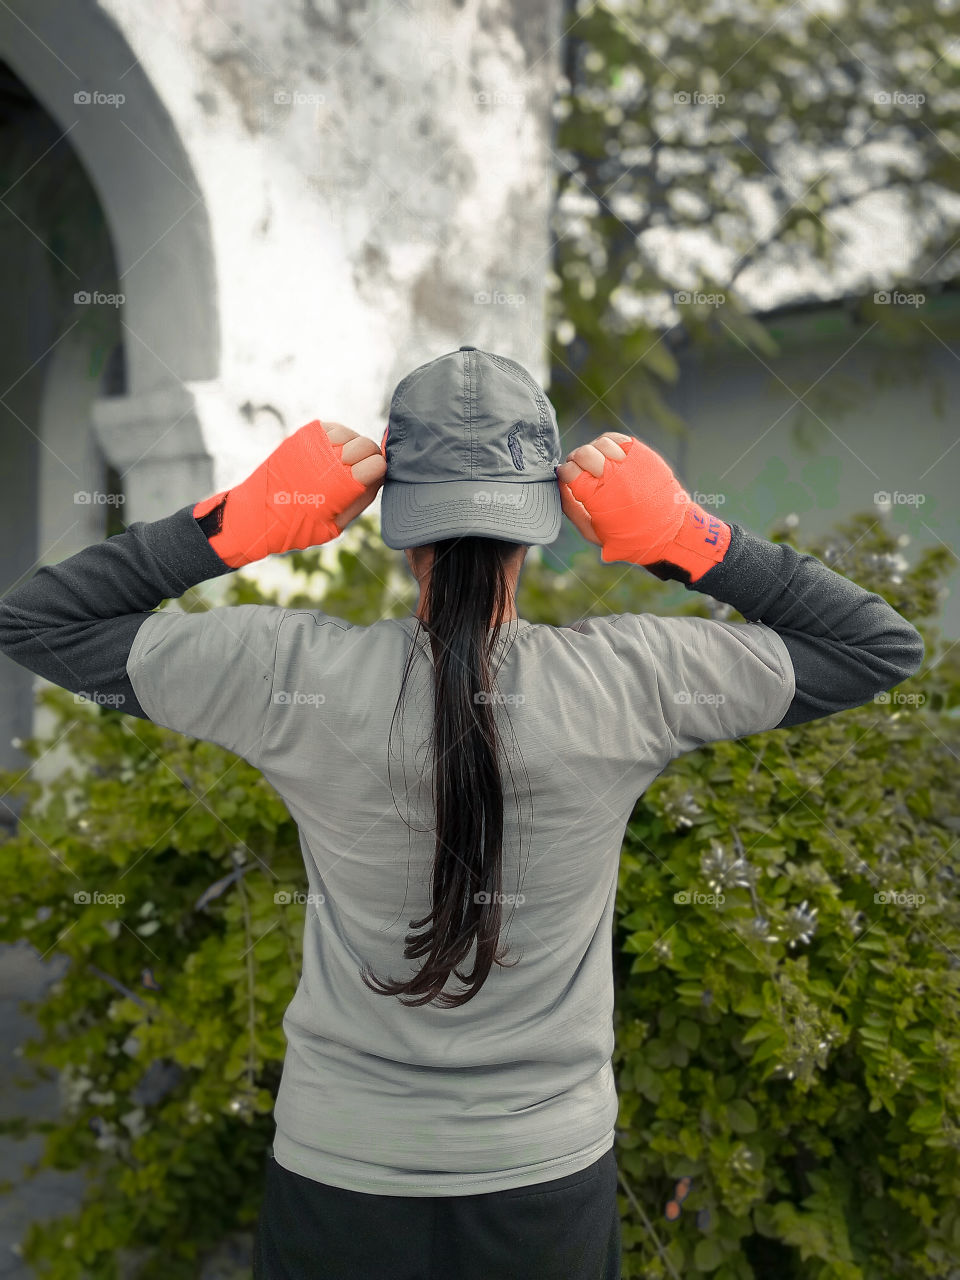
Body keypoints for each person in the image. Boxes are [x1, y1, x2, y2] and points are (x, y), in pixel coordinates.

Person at [0, 346, 924, 1280]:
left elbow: (37, 622)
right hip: (545, 1188)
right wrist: (691, 538)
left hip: (339, 1180)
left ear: (400, 526)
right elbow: (876, 648)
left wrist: (232, 525)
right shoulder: (637, 681)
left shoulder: (284, 674)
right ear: (541, 521)